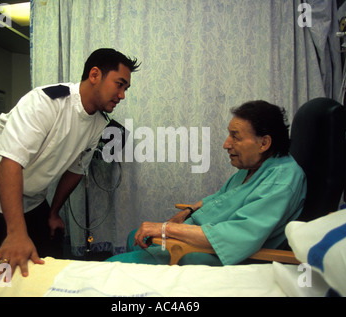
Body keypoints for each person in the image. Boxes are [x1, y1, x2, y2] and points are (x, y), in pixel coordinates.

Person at [0, 48, 140, 280]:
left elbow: (75, 170)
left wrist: (54, 212)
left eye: (125, 88)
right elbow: (10, 161)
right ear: (95, 75)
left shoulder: (98, 122)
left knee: (47, 243)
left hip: (27, 190)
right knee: (1, 260)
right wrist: (16, 233)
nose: (122, 95)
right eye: (119, 84)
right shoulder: (47, 100)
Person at [106, 100, 307, 266]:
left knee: (112, 267)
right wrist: (188, 212)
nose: (226, 144)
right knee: (135, 235)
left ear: (264, 143)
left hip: (216, 254)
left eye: (235, 137)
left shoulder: (281, 181)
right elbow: (221, 198)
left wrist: (167, 229)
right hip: (202, 236)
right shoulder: (253, 167)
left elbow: (237, 236)